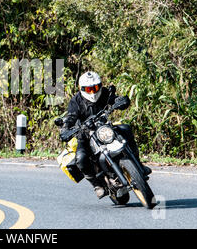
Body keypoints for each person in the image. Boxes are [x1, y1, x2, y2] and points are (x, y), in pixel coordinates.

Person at [60, 71, 151, 199]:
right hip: (85, 134)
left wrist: (122, 100)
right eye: (89, 89)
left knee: (126, 129)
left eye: (95, 88)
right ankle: (97, 185)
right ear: (82, 89)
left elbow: (115, 100)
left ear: (100, 86)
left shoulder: (104, 93)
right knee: (81, 157)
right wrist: (65, 129)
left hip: (104, 128)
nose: (92, 92)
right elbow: (70, 117)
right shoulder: (76, 101)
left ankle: (138, 164)